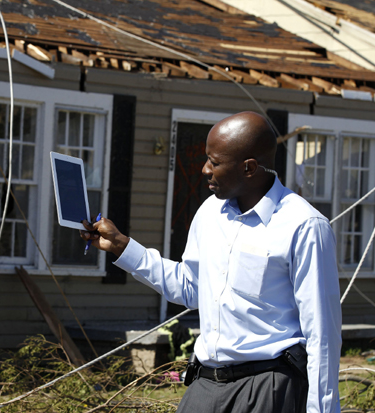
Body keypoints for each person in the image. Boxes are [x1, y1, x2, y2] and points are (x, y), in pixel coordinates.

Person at [81, 111, 342, 412]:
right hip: (205, 386)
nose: (204, 169)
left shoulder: (304, 226)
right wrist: (121, 246)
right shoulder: (209, 213)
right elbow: (190, 288)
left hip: (268, 387)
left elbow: (322, 334)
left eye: (215, 162)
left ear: (249, 168)